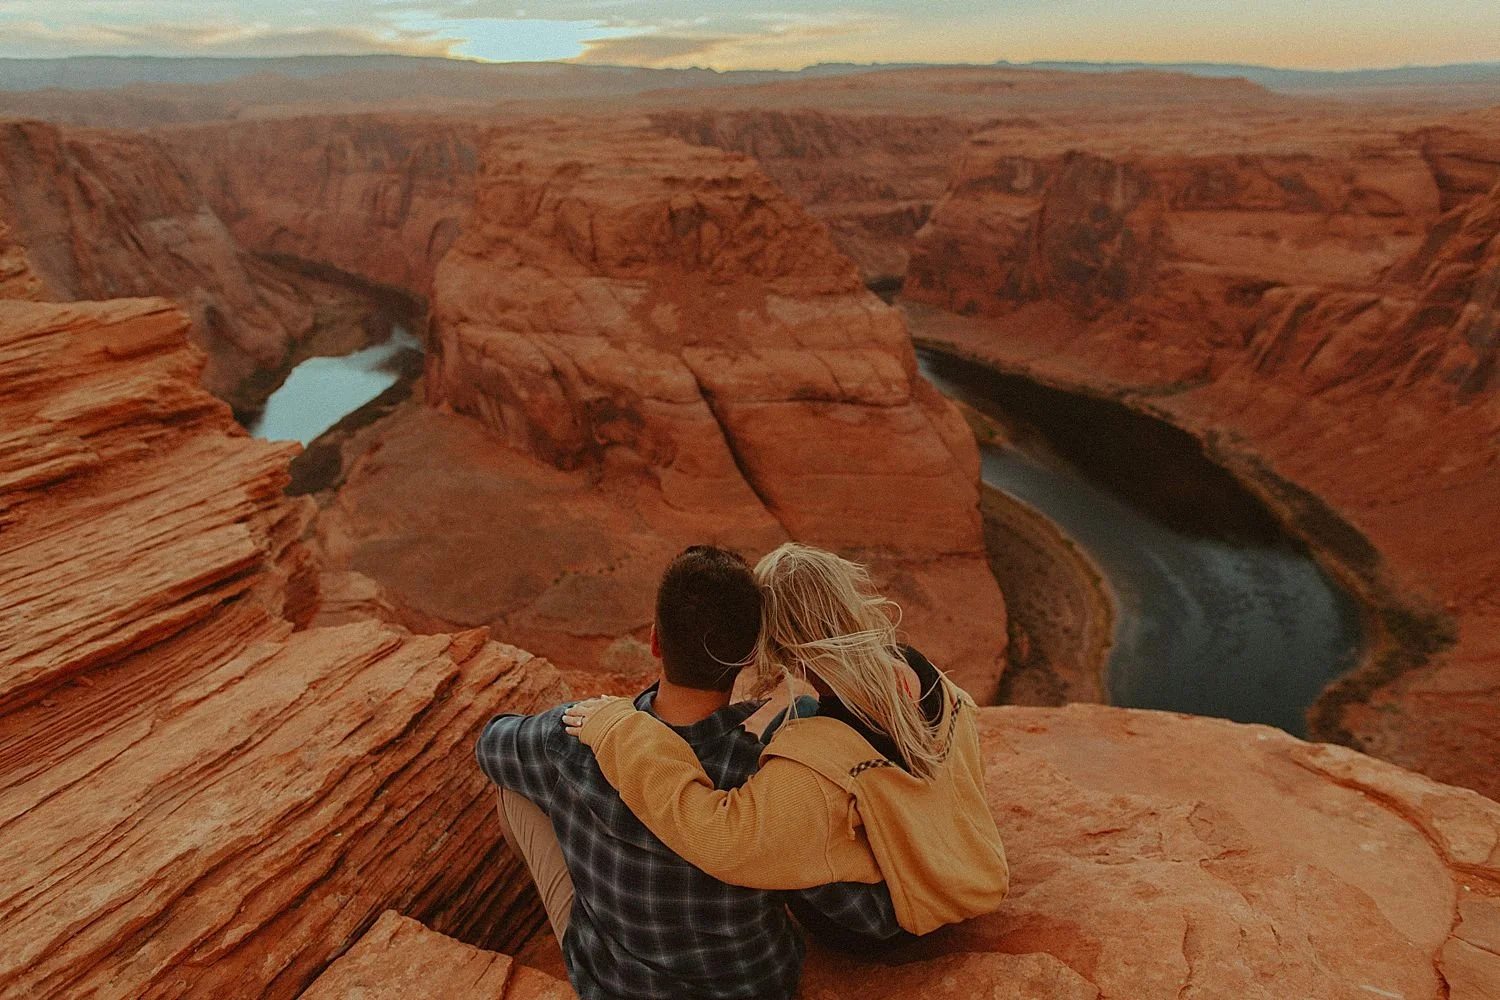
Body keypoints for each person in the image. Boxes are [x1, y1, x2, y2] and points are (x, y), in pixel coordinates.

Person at [475, 545, 898, 1000]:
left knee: (513, 788)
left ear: (655, 640)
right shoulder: (769, 780)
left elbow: (490, 745)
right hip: (754, 985)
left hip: (616, 986)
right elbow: (859, 909)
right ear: (751, 657)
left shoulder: (576, 735)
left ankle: (606, 908)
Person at [563, 542, 1010, 939]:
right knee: (791, 727)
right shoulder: (922, 673)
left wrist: (620, 730)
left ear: (780, 646)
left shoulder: (817, 755)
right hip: (967, 868)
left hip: (893, 924)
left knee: (786, 785)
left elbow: (722, 841)